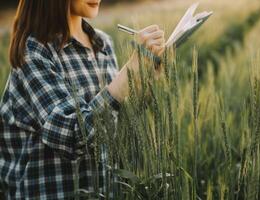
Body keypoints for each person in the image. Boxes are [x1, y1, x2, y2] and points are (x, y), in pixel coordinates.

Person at [0, 0, 166, 199]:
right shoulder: (35, 51)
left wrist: (145, 81)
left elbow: (114, 124)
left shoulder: (102, 44)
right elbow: (72, 136)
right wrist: (130, 69)